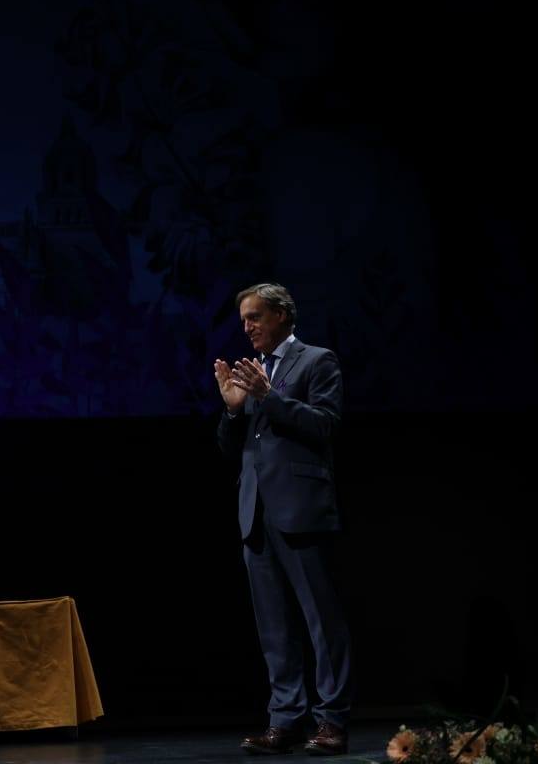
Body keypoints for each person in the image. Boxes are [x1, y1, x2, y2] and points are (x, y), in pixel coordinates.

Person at [214, 283, 352, 756]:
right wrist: (234, 411)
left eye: (255, 317)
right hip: (256, 513)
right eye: (244, 321)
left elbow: (325, 425)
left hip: (302, 510)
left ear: (280, 315)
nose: (247, 327)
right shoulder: (252, 373)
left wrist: (270, 398)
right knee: (274, 626)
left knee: (321, 620)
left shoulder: (317, 361)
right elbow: (235, 448)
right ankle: (285, 720)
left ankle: (331, 721)